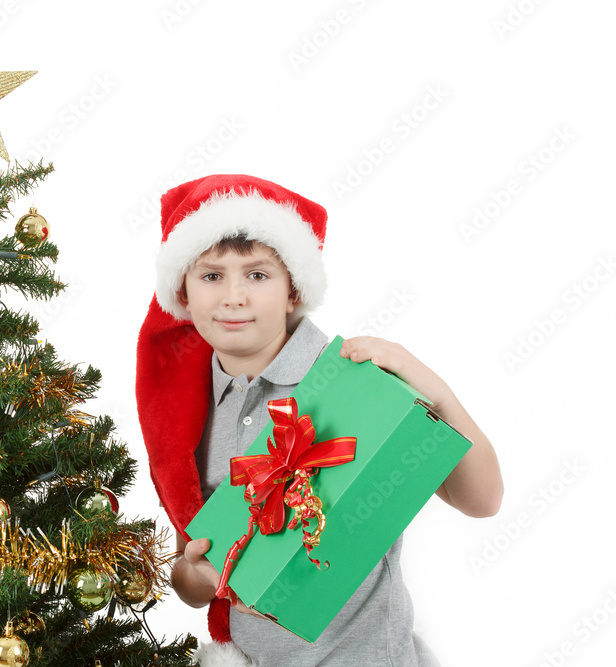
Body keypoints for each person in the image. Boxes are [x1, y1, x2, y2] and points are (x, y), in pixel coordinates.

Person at [135, 174, 504, 666]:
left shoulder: (350, 383)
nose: (234, 296)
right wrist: (195, 576)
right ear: (183, 290)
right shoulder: (186, 414)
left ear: (294, 290)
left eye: (258, 275)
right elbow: (192, 570)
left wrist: (433, 389)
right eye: (211, 276)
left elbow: (481, 500)